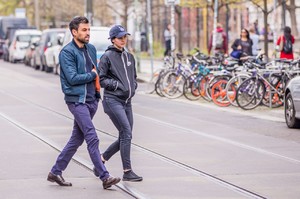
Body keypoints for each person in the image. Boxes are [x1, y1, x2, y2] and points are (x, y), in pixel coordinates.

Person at [47, 16, 120, 189]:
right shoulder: (67, 53)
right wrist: (93, 75)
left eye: (89, 30)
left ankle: (55, 172)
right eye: (84, 30)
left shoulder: (91, 49)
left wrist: (96, 93)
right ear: (74, 32)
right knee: (92, 137)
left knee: (76, 139)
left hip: (91, 100)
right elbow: (72, 79)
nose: (88, 33)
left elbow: (96, 70)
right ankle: (105, 176)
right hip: (77, 101)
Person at [97, 25, 143, 182]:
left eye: (125, 37)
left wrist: (133, 86)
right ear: (113, 39)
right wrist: (118, 86)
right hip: (112, 100)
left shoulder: (129, 57)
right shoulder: (107, 57)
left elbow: (134, 78)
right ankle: (127, 171)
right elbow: (101, 79)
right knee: (126, 133)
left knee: (126, 135)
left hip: (127, 102)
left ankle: (101, 160)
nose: (123, 40)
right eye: (120, 37)